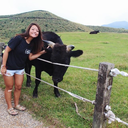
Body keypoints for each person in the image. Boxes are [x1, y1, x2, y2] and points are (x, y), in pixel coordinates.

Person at [1, 23, 46, 116]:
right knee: (9, 88)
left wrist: (42, 52)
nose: (35, 32)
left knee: (18, 87)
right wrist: (3, 66)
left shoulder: (32, 44)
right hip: (9, 67)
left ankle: (16, 104)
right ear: (29, 29)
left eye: (37, 31)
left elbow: (30, 57)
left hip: (20, 68)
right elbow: (6, 51)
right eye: (33, 29)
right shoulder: (18, 39)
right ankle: (10, 107)